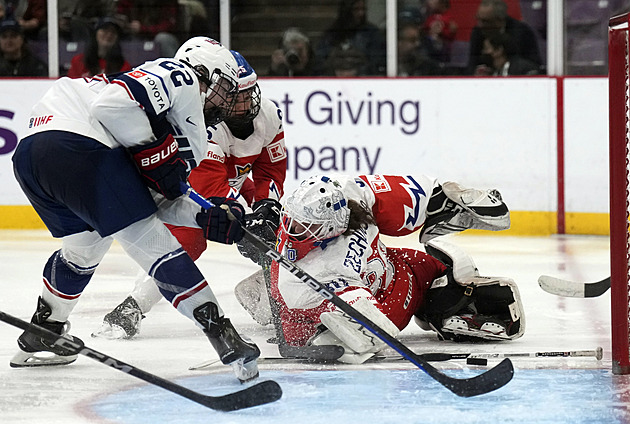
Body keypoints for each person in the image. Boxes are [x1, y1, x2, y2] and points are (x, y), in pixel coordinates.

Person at [10, 37, 261, 382]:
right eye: (223, 87)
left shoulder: (178, 127)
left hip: (32, 157)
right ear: (206, 73)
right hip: (80, 147)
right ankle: (224, 335)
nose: (224, 101)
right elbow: (112, 107)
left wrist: (204, 216)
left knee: (84, 250)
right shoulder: (182, 76)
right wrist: (154, 152)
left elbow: (160, 200)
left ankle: (45, 328)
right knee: (151, 240)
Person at [93, 49, 287, 340]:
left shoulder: (269, 114)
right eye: (240, 97)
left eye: (251, 93)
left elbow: (270, 169)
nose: (248, 103)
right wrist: (245, 219)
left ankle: (278, 300)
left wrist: (267, 207)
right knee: (190, 242)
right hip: (193, 192)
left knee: (282, 228)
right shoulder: (208, 124)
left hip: (236, 183)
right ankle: (134, 305)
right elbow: (209, 186)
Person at [237, 174, 523, 363]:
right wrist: (360, 330)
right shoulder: (307, 273)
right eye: (292, 220)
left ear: (330, 226)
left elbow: (422, 197)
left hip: (393, 265)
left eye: (305, 226)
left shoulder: (356, 194)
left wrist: (451, 200)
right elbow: (374, 318)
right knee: (357, 327)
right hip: (371, 297)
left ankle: (445, 307)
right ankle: (296, 316)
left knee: (449, 268)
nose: (292, 230)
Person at [467, 0, 542, 75]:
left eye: (485, 21)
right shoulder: (477, 32)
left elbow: (532, 64)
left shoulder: (522, 31)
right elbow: (472, 62)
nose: (480, 25)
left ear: (500, 20)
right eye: (478, 19)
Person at [315, 0, 386, 76]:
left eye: (363, 9)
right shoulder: (331, 35)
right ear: (346, 10)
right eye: (356, 9)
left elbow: (378, 63)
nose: (361, 13)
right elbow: (320, 63)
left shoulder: (373, 34)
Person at [67, 17, 132, 78]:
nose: (109, 34)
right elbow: (71, 86)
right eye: (105, 30)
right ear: (95, 34)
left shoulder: (124, 66)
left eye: (113, 32)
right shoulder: (78, 61)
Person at [116, 0, 180, 57]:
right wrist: (125, 23)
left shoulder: (168, 2)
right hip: (135, 36)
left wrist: (143, 29)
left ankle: (175, 67)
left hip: (159, 37)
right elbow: (121, 12)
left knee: (163, 38)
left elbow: (169, 26)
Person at [474, 32, 540, 76]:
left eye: (486, 48)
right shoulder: (492, 73)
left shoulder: (524, 70)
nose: (483, 52)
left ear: (498, 50)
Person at [422, 0, 457, 65]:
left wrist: (442, 32)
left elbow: (451, 35)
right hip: (430, 50)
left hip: (444, 52)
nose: (430, 2)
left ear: (442, 3)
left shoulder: (450, 19)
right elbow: (424, 30)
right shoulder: (430, 17)